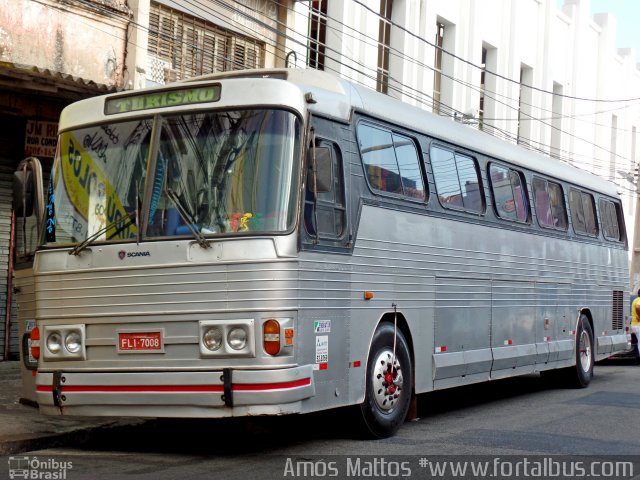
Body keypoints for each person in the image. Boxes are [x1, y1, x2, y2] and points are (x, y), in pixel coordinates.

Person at [631, 289, 640, 364]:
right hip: (638, 324)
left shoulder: (635, 300)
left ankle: (638, 357)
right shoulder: (639, 300)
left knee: (638, 342)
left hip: (634, 324)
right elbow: (638, 307)